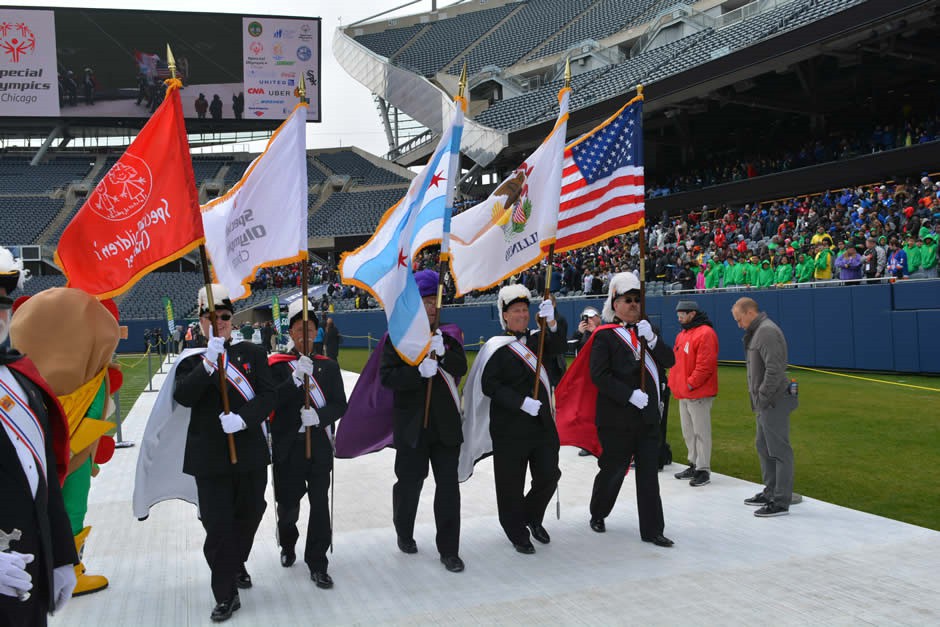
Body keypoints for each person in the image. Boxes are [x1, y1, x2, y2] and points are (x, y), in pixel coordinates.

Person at [173, 284, 275, 622]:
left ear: (233, 320)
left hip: (249, 453)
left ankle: (235, 562)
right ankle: (225, 593)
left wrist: (244, 420)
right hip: (209, 459)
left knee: (250, 514)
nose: (219, 323)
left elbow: (268, 396)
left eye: (225, 317)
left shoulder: (253, 354)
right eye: (210, 317)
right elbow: (184, 397)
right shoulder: (189, 361)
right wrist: (207, 364)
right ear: (201, 322)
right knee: (218, 527)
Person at [0, 249, 77, 627]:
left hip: (31, 569)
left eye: (0, 304)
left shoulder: (23, 380)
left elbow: (44, 479)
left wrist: (62, 556)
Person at [379, 271, 467, 572]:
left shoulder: (449, 336)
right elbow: (387, 377)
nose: (431, 307)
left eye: (435, 301)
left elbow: (460, 367)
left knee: (448, 488)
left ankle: (449, 550)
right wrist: (418, 373)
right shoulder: (398, 338)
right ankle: (404, 529)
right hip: (412, 427)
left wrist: (444, 354)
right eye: (426, 302)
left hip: (445, 427)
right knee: (410, 484)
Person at [474, 285, 564, 554]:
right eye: (516, 311)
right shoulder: (496, 348)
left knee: (549, 475)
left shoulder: (540, 339)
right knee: (510, 483)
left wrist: (552, 322)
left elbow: (559, 346)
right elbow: (489, 385)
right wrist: (520, 402)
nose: (522, 315)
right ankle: (516, 530)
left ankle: (532, 517)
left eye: (525, 310)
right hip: (509, 427)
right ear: (505, 315)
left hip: (541, 426)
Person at [587, 273, 675, 547]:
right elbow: (599, 376)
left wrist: (654, 340)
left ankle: (652, 530)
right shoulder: (606, 337)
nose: (634, 304)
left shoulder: (649, 331)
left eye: (637, 300)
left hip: (647, 418)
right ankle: (598, 512)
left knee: (648, 476)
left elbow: (669, 360)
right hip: (616, 418)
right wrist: (628, 395)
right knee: (613, 471)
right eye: (628, 300)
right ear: (615, 304)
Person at [269, 301, 346, 589]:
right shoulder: (277, 365)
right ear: (290, 331)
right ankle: (288, 544)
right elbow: (271, 402)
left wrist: (319, 416)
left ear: (317, 333)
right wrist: (293, 379)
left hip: (319, 446)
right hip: (289, 447)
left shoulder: (328, 367)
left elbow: (340, 404)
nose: (306, 334)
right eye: (300, 329)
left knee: (319, 504)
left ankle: (318, 562)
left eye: (310, 329)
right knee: (288, 507)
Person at [731, 297, 797, 518]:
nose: (739, 324)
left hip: (773, 400)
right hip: (765, 402)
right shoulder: (759, 332)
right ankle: (771, 492)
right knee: (763, 445)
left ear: (750, 313)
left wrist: (763, 395)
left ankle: (780, 501)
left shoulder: (767, 332)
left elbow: (775, 369)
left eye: (739, 319)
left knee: (779, 450)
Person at [669, 300, 719, 487]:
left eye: (682, 313)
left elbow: (705, 365)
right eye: (678, 313)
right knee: (689, 432)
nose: (679, 316)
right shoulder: (683, 334)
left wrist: (690, 384)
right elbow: (677, 363)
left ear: (692, 314)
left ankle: (703, 469)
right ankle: (694, 464)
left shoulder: (705, 333)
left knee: (701, 432)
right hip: (685, 392)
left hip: (698, 393)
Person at [571, 307, 602, 457]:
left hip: (600, 378)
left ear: (598, 317)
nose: (588, 320)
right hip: (584, 379)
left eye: (591, 317)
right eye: (586, 317)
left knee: (601, 413)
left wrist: (592, 331)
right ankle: (589, 444)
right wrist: (579, 333)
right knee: (586, 413)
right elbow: (569, 348)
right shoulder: (581, 333)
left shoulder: (603, 331)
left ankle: (600, 443)